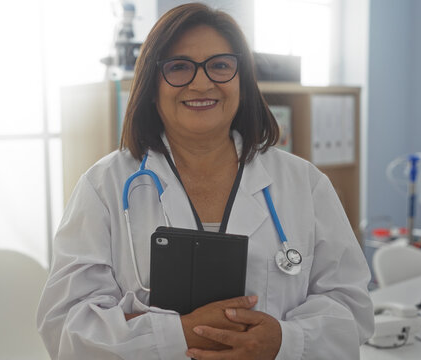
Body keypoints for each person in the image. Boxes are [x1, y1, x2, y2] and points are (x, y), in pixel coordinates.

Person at [37, 3, 374, 359]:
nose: (201, 82)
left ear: (241, 81)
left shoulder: (304, 184)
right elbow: (66, 326)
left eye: (220, 65)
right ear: (153, 86)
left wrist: (284, 341)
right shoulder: (104, 186)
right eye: (179, 67)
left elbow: (352, 309)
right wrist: (177, 335)